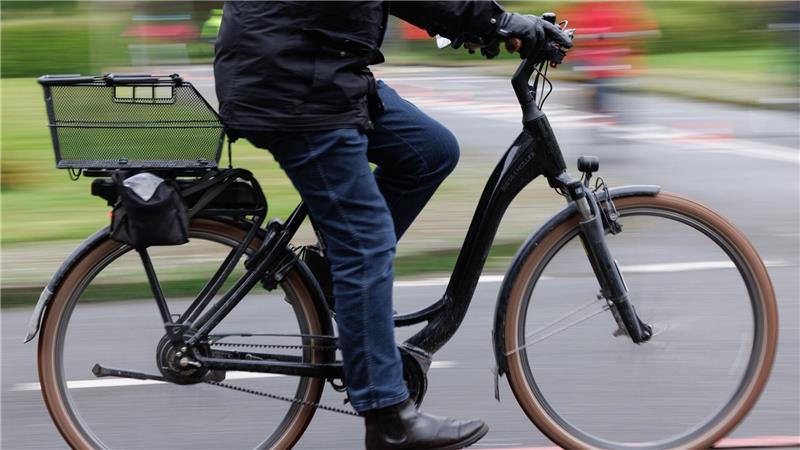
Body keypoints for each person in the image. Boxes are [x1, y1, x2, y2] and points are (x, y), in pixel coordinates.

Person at [214, 2, 571, 449]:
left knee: (430, 150)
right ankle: (389, 419)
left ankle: (330, 272)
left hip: (316, 68)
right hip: (294, 85)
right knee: (365, 241)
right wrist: (497, 22)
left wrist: (482, 26)